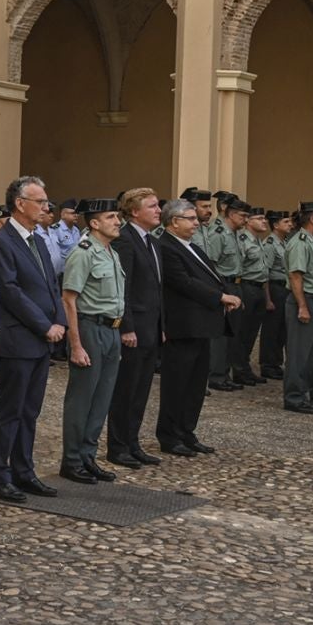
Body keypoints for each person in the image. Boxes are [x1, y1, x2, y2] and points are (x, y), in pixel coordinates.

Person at [0, 176, 64, 501]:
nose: (47, 207)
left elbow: (51, 287)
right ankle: (0, 476)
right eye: (41, 201)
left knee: (30, 410)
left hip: (42, 340)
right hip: (19, 339)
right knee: (10, 410)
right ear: (20, 204)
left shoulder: (39, 240)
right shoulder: (1, 241)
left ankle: (24, 471)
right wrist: (44, 325)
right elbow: (10, 292)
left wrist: (59, 320)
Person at [154, 200, 239, 456]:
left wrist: (224, 291)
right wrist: (220, 297)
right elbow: (183, 282)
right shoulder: (166, 247)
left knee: (195, 385)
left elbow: (211, 275)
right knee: (177, 384)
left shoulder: (192, 247)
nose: (196, 222)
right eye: (190, 218)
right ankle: (169, 435)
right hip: (184, 326)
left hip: (202, 326)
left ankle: (186, 431)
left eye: (194, 218)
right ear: (174, 222)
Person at [58, 198, 126, 483]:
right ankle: (72, 460)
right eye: (111, 217)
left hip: (112, 331)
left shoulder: (111, 252)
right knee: (82, 398)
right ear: (95, 223)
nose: (117, 221)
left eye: (117, 216)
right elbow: (69, 299)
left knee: (102, 398)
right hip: (89, 329)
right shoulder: (83, 252)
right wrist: (75, 344)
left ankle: (88, 456)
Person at [106, 187, 166, 469]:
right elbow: (124, 288)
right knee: (126, 389)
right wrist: (126, 327)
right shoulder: (125, 240)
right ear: (134, 211)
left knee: (142, 389)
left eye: (158, 206)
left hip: (151, 327)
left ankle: (133, 442)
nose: (158, 210)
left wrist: (161, 325)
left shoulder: (152, 241)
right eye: (152, 206)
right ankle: (117, 447)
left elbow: (156, 289)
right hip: (133, 328)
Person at [279, 204, 313, 414]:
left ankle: (304, 395)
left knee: (311, 354)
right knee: (299, 354)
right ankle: (294, 397)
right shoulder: (300, 243)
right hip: (305, 301)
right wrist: (302, 306)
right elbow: (295, 276)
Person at [204, 197, 249, 392]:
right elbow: (211, 265)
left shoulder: (235, 234)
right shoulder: (218, 234)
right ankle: (216, 375)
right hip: (223, 285)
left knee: (233, 333)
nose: (246, 220)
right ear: (231, 214)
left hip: (236, 284)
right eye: (243, 215)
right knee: (221, 335)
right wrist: (220, 292)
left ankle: (225, 372)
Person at [230, 205, 272, 386]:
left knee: (251, 333)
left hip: (259, 288)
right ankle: (239, 369)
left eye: (265, 219)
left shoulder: (259, 240)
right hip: (246, 287)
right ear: (248, 221)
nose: (264, 222)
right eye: (260, 219)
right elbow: (239, 268)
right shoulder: (242, 240)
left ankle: (244, 367)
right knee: (242, 331)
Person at [258, 210, 292, 379]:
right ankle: (268, 364)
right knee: (272, 328)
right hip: (274, 288)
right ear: (276, 225)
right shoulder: (270, 244)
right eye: (286, 222)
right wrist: (268, 299)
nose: (290, 225)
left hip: (284, 288)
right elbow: (266, 272)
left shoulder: (284, 242)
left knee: (281, 329)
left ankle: (276, 362)